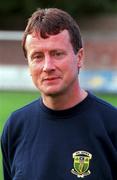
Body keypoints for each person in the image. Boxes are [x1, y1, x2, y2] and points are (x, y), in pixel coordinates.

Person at [1, 8, 117, 180]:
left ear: (79, 58)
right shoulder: (15, 127)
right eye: (37, 56)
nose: (48, 66)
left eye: (57, 54)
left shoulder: (111, 125)